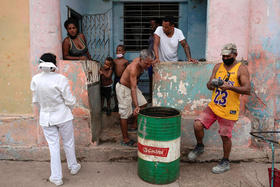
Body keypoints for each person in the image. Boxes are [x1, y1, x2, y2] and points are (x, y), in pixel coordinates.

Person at [187, 43, 251, 174]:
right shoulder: (218, 67)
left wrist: (229, 87)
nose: (225, 58)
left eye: (228, 56)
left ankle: (225, 161)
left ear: (235, 55)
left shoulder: (241, 69)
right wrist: (212, 84)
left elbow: (247, 90)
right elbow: (209, 85)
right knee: (197, 125)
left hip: (229, 109)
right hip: (214, 106)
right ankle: (199, 146)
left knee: (225, 136)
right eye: (223, 55)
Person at [30, 53, 81, 186]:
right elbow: (69, 100)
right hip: (63, 115)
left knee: (53, 147)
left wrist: (46, 107)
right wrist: (70, 106)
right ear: (54, 64)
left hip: (46, 117)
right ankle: (73, 166)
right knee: (68, 142)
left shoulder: (35, 79)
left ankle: (56, 177)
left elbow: (35, 101)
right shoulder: (60, 79)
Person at [116, 49, 154, 146]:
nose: (148, 66)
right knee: (124, 113)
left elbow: (133, 87)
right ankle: (125, 139)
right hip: (123, 88)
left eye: (150, 64)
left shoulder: (144, 60)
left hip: (132, 86)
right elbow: (133, 89)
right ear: (141, 60)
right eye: (147, 64)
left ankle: (133, 124)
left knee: (144, 104)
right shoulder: (133, 69)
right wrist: (136, 106)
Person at [147, 18, 161, 103]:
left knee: (157, 79)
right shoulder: (151, 34)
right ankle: (151, 96)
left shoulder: (160, 35)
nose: (151, 26)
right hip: (150, 58)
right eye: (150, 24)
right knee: (150, 79)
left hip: (156, 59)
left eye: (153, 24)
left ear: (157, 25)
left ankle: (156, 96)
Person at [113, 45, 129, 112]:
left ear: (124, 52)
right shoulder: (114, 61)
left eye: (119, 50)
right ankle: (116, 105)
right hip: (116, 78)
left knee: (122, 92)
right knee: (115, 92)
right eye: (117, 50)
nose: (118, 52)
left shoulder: (125, 61)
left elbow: (128, 70)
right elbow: (112, 69)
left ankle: (122, 105)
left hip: (122, 79)